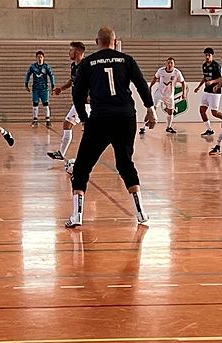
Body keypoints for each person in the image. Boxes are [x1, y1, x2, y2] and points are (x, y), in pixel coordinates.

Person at [64, 27, 155, 228]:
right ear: (115, 41)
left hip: (100, 119)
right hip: (126, 118)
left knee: (82, 167)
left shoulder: (88, 63)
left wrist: (84, 119)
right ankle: (141, 212)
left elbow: (78, 96)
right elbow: (141, 85)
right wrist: (150, 109)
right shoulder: (127, 60)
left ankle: (77, 216)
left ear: (97, 41)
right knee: (125, 163)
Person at [47, 41, 87, 161]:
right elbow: (72, 80)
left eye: (71, 50)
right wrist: (61, 88)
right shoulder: (74, 66)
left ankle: (63, 153)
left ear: (78, 52)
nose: (69, 52)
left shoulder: (86, 66)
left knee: (68, 123)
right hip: (79, 102)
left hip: (85, 103)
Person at [140, 57, 185, 135]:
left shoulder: (177, 72)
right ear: (166, 64)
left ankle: (169, 127)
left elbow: (183, 82)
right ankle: (143, 127)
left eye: (171, 63)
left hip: (169, 95)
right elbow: (155, 78)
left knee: (170, 111)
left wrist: (184, 93)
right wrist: (150, 87)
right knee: (151, 109)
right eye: (168, 63)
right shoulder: (161, 71)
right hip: (159, 94)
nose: (169, 64)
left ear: (174, 64)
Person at [194, 47, 222, 136]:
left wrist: (212, 82)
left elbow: (221, 78)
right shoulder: (204, 65)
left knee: (214, 113)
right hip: (206, 91)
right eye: (206, 55)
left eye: (209, 55)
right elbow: (205, 77)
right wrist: (199, 87)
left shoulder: (216, 65)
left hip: (215, 92)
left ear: (212, 56)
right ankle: (209, 129)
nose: (207, 57)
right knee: (202, 110)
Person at [25, 50, 55, 127]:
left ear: (43, 58)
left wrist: (53, 86)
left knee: (46, 104)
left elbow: (51, 75)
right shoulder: (33, 67)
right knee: (35, 104)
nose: (40, 58)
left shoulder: (46, 67)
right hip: (35, 89)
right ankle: (35, 120)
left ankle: (48, 120)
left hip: (44, 89)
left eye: (41, 57)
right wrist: (26, 84)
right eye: (38, 57)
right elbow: (28, 74)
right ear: (36, 58)